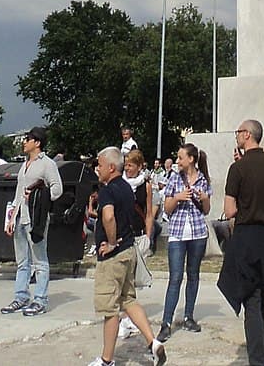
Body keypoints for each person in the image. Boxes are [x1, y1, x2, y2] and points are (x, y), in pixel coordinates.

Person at [87, 146, 165, 366]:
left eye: (100, 165)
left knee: (109, 308)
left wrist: (111, 242)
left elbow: (109, 217)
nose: (97, 168)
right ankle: (153, 343)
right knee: (128, 299)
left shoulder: (109, 189)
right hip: (129, 251)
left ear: (111, 167)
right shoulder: (126, 188)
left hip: (112, 257)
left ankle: (106, 360)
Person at [218, 120, 264, 366]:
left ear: (246, 135)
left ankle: (257, 360)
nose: (236, 136)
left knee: (251, 300)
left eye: (237, 132)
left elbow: (230, 209)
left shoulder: (238, 169)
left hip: (247, 236)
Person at [0, 125, 62, 317]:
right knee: (22, 261)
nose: (23, 143)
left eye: (27, 139)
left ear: (37, 142)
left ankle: (40, 299)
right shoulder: (24, 164)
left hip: (36, 218)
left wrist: (39, 197)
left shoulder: (47, 164)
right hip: (20, 218)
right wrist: (11, 217)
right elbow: (19, 193)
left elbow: (57, 189)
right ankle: (21, 296)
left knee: (40, 260)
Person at [158, 142, 211, 340]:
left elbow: (206, 209)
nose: (177, 161)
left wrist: (204, 197)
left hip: (198, 233)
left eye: (181, 158)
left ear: (191, 159)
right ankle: (166, 322)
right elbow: (167, 209)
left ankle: (189, 316)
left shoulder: (203, 179)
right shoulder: (174, 178)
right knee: (175, 278)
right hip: (178, 234)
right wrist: (178, 197)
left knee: (194, 275)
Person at [122, 150, 153, 240]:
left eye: (130, 165)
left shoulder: (146, 186)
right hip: (122, 231)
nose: (126, 168)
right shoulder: (120, 183)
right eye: (125, 165)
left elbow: (149, 214)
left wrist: (148, 237)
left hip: (138, 231)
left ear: (139, 167)